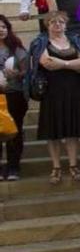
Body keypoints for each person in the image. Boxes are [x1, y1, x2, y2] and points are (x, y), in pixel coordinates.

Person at [33, 11, 80, 184]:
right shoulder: (41, 41)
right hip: (51, 91)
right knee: (53, 132)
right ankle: (56, 166)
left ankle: (73, 165)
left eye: (60, 22)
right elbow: (46, 63)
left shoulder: (75, 41)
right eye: (53, 22)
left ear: (66, 25)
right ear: (47, 25)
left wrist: (62, 63)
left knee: (72, 130)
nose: (57, 25)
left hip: (73, 90)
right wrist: (71, 65)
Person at [0, 15, 28, 180]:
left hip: (14, 95)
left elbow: (26, 71)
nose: (1, 30)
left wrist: (17, 74)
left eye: (3, 27)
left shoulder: (16, 48)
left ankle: (13, 167)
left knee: (14, 131)